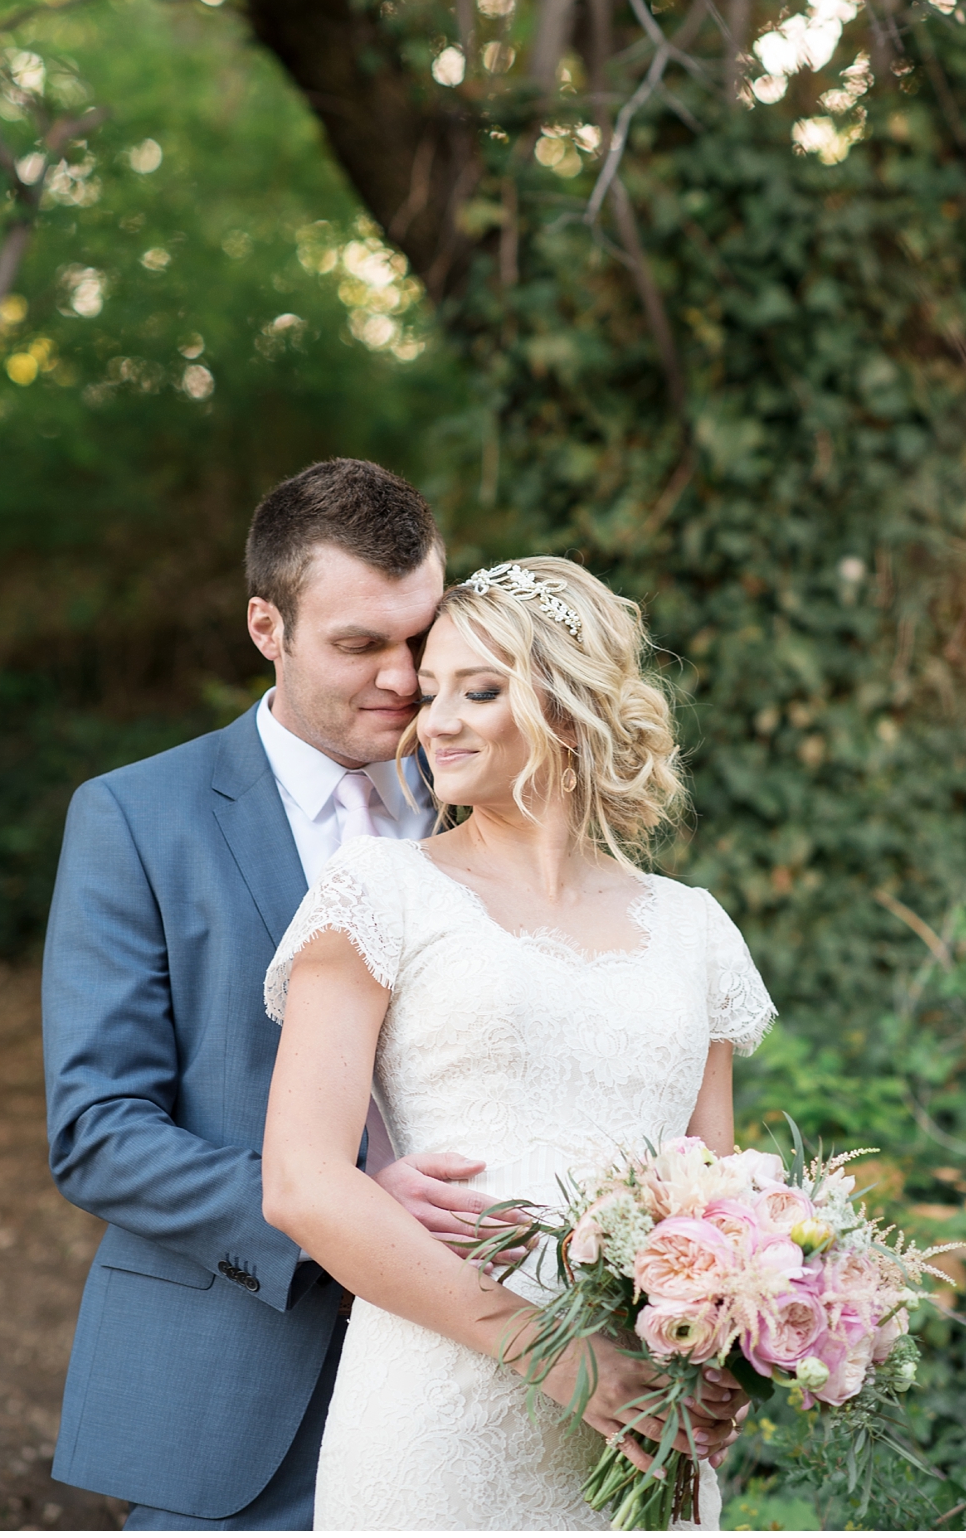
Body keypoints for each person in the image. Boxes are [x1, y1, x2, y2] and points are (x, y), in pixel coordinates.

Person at [46, 460, 556, 1527]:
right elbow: (97, 1131)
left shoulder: (497, 802)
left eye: (420, 635)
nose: (406, 677)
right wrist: (340, 1208)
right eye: (359, 644)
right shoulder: (137, 819)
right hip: (234, 1376)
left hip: (483, 1378)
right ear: (265, 626)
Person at [260, 556, 772, 1529]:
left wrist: (733, 1350)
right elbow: (300, 1180)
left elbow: (720, 1194)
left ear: (570, 705)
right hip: (438, 1417)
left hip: (641, 1427)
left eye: (480, 689)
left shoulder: (694, 926)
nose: (436, 719)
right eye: (432, 691)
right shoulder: (380, 891)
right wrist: (567, 1358)